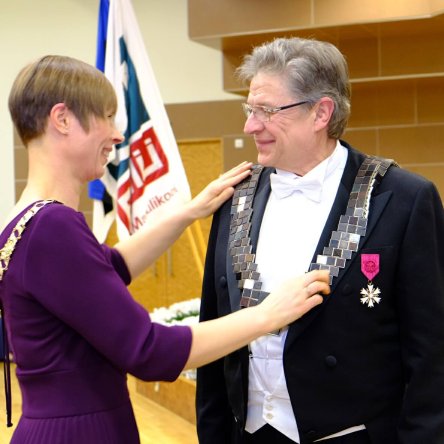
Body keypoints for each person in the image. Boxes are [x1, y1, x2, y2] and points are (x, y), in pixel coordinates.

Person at [0, 55, 331, 443]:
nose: (117, 136)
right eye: (107, 117)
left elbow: (110, 267)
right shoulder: (53, 226)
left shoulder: (25, 219)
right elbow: (148, 351)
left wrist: (187, 213)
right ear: (62, 119)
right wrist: (268, 314)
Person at [196, 37, 444, 444]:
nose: (250, 126)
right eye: (250, 110)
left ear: (321, 112)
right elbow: (214, 334)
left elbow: (431, 354)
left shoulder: (402, 198)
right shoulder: (233, 198)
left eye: (267, 111)